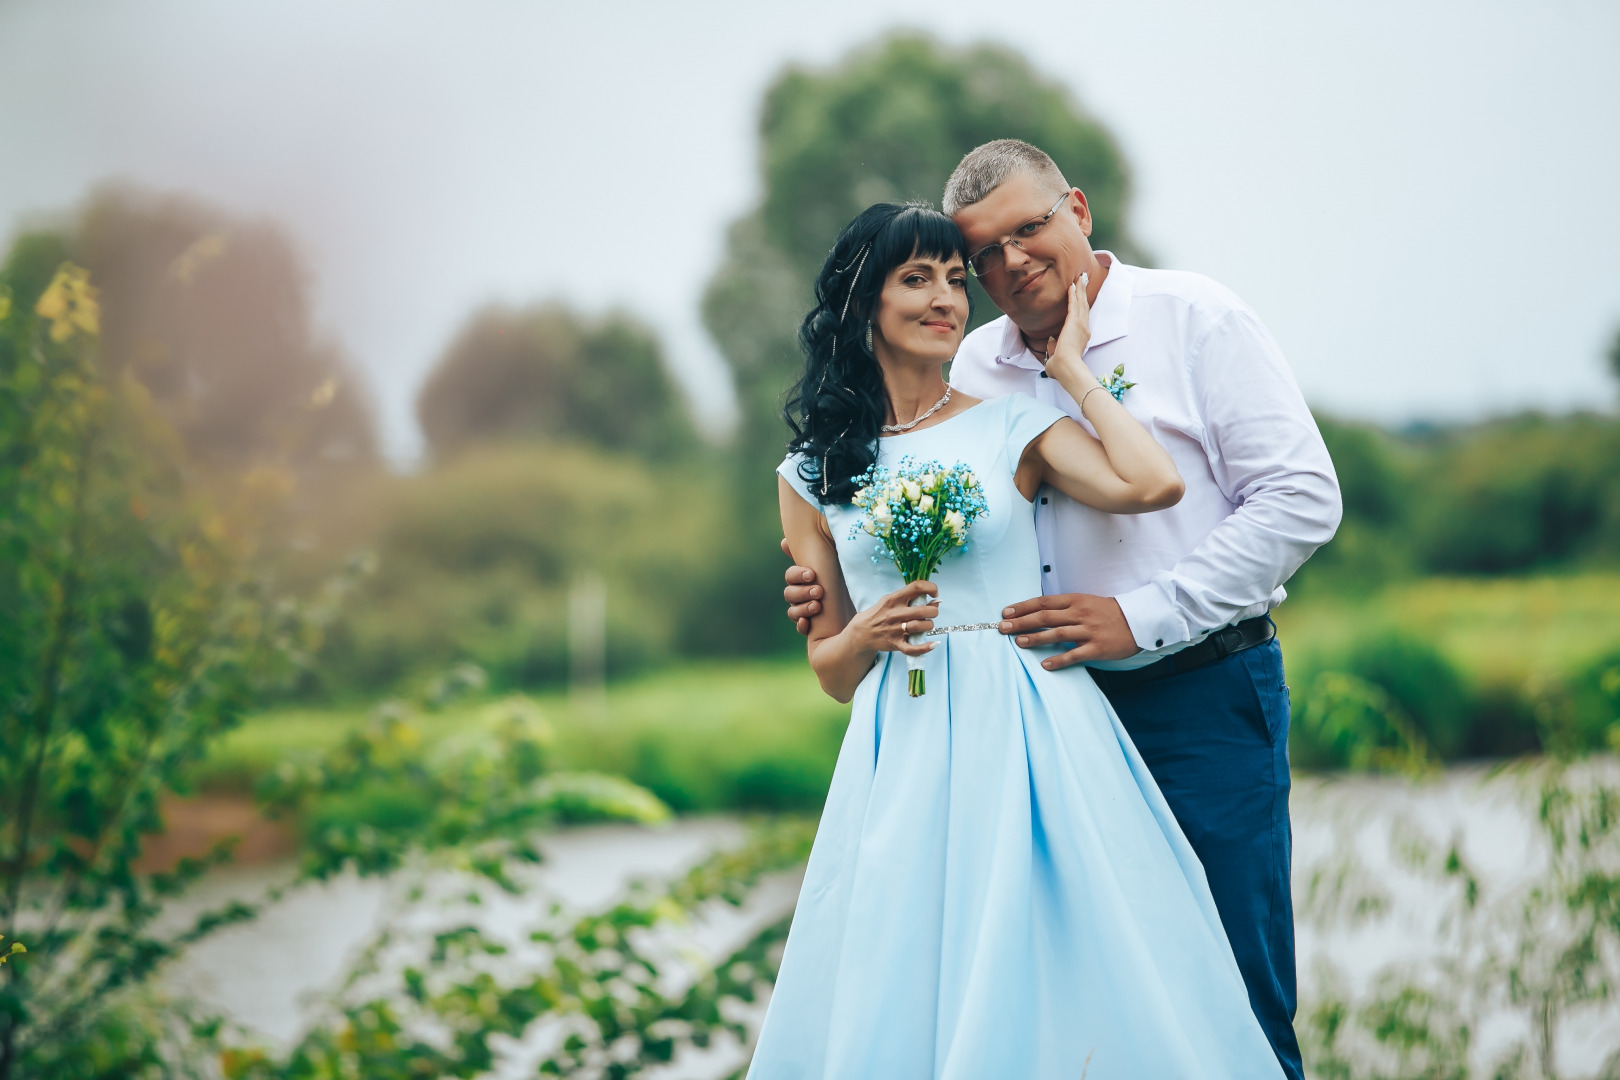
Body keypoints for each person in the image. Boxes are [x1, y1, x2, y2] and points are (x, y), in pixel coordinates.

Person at [781, 140, 1341, 1080]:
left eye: (1026, 231)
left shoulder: (1192, 318)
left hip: (1196, 694)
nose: (1004, 268)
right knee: (1049, 1004)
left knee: (1221, 992)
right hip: (1025, 723)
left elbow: (1299, 500)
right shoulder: (972, 365)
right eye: (979, 255)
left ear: (1076, 209)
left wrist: (1143, 616)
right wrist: (836, 595)